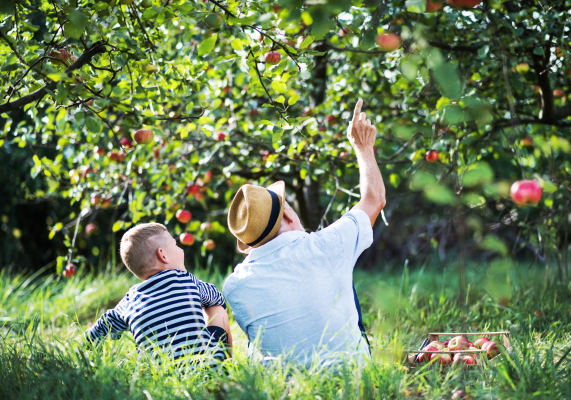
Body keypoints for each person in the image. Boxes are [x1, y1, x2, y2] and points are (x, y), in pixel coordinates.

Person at [223, 99, 385, 367]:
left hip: (282, 390)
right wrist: (363, 147)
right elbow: (374, 198)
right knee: (342, 273)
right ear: (287, 215)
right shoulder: (329, 245)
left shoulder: (234, 285)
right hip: (351, 379)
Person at [84, 223, 232, 367]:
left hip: (160, 377)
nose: (181, 249)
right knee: (216, 306)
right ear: (162, 255)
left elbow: (101, 329)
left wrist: (84, 345)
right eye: (176, 245)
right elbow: (216, 296)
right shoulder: (186, 280)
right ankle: (226, 363)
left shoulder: (130, 300)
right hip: (208, 368)